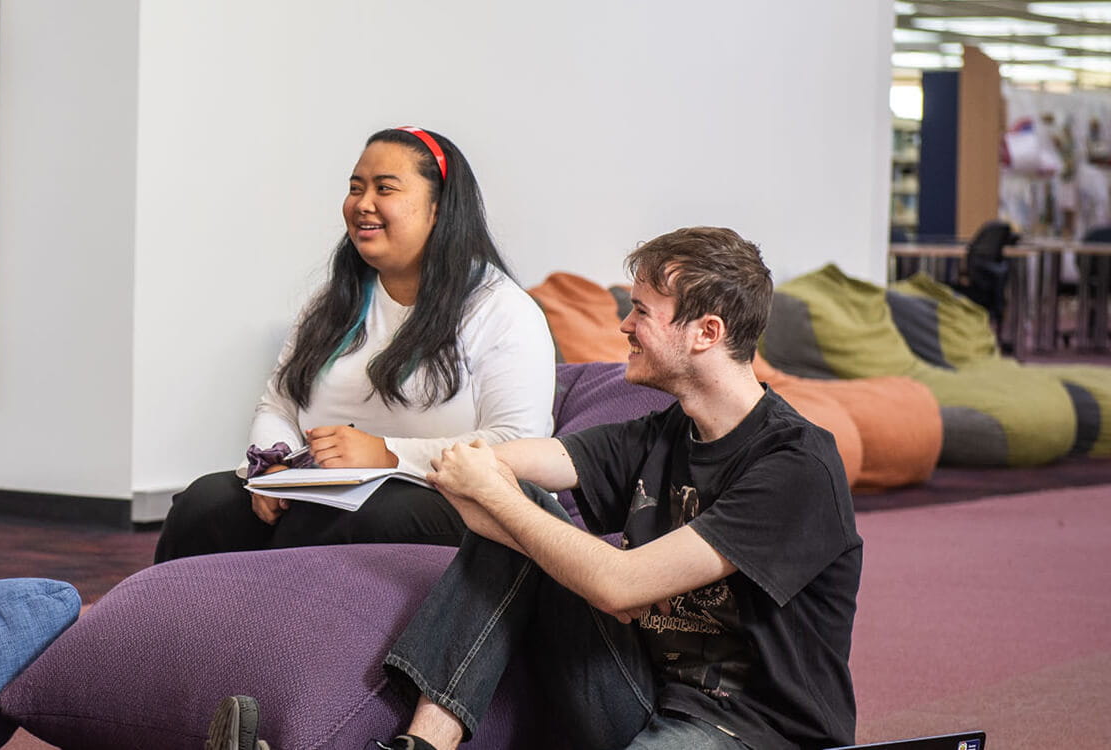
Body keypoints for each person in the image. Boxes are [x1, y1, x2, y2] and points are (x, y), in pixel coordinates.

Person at [212, 227, 862, 750]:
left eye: (641, 311)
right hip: (642, 696)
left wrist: (491, 488)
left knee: (515, 511)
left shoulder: (794, 464)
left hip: (754, 731)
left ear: (707, 333)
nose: (625, 326)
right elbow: (516, 463)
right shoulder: (659, 435)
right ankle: (420, 746)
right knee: (520, 513)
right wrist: (440, 465)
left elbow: (622, 585)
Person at [154, 127, 554, 563]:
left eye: (385, 188)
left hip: (454, 502)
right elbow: (279, 405)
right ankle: (173, 629)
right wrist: (273, 466)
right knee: (204, 504)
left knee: (338, 520)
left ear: (439, 208)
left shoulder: (501, 309)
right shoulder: (332, 304)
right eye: (355, 188)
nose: (363, 204)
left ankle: (271, 630)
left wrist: (387, 455)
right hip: (325, 489)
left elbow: (519, 443)